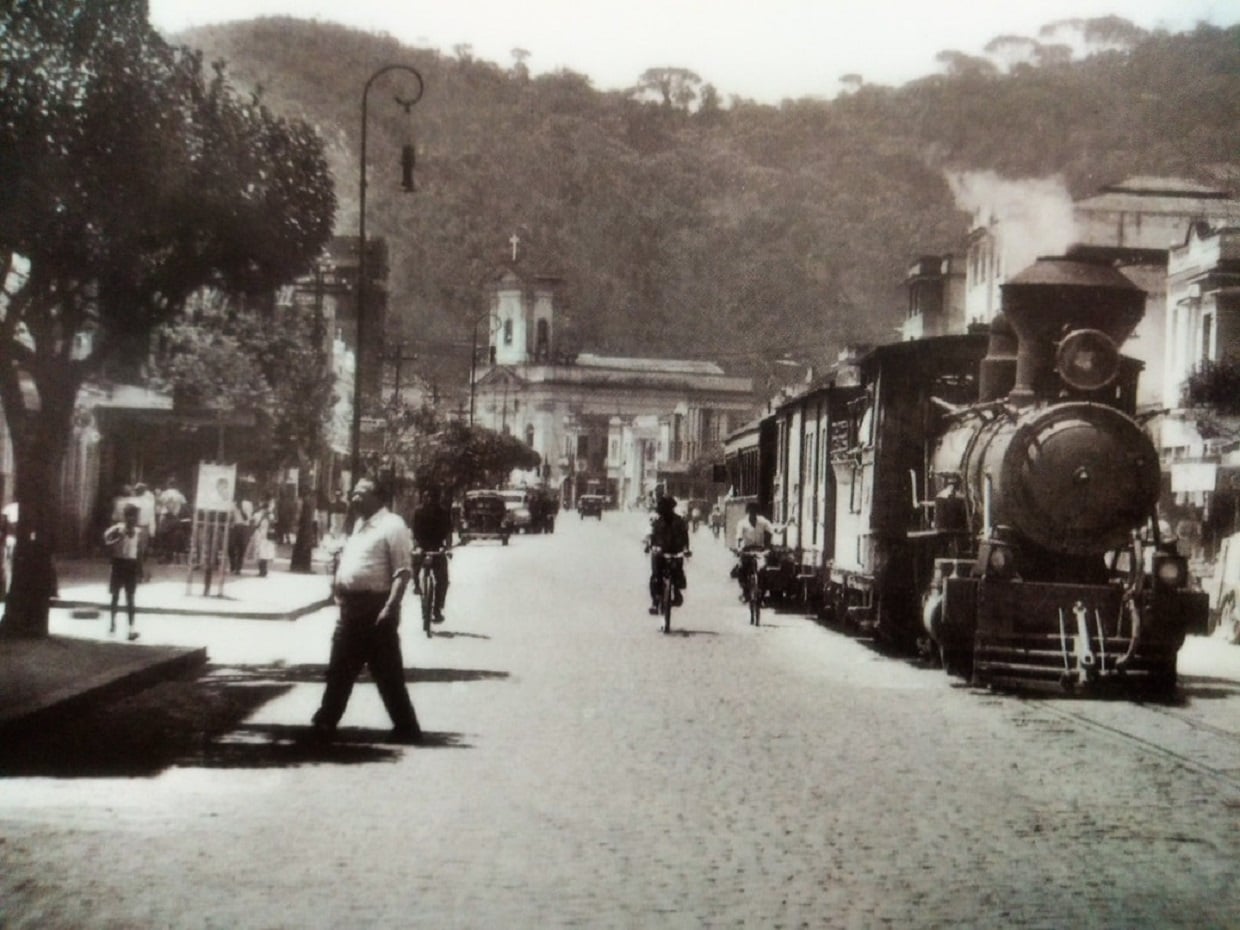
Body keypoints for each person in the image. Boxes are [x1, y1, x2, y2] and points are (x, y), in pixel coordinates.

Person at [310, 477, 421, 743]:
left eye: (361, 493)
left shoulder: (392, 525)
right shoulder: (360, 525)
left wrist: (391, 607)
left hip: (376, 608)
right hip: (351, 608)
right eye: (354, 493)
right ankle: (326, 720)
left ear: (378, 497)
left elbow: (402, 571)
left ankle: (406, 727)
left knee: (387, 673)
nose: (354, 498)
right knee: (340, 668)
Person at [410, 484, 453, 624]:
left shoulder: (443, 513)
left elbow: (448, 533)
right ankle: (416, 585)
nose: (429, 499)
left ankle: (437, 609)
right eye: (426, 497)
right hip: (422, 547)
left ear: (436, 498)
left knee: (443, 580)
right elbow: (413, 532)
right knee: (414, 565)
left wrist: (447, 547)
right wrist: (416, 546)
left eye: (431, 497)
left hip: (437, 548)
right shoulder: (418, 512)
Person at [103, 503, 145, 640]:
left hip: (131, 565)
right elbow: (105, 541)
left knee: (130, 598)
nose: (134, 519)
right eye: (131, 516)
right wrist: (117, 539)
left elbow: (139, 553)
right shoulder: (118, 529)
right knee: (115, 596)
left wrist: (141, 570)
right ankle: (112, 623)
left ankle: (131, 628)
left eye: (135, 516)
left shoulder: (139, 533)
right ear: (127, 516)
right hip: (118, 563)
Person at [645, 495, 690, 615]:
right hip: (660, 553)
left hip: (675, 553)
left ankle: (677, 591)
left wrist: (686, 550)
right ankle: (655, 602)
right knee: (655, 577)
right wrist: (649, 546)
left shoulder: (679, 521)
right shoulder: (657, 522)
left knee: (678, 572)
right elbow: (651, 537)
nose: (664, 510)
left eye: (666, 507)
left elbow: (685, 537)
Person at [734, 502, 781, 602]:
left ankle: (762, 594)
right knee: (741, 569)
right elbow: (739, 537)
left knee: (763, 570)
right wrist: (739, 548)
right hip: (747, 550)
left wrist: (783, 527)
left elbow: (773, 529)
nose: (753, 515)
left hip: (760, 550)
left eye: (754, 512)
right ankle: (745, 591)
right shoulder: (742, 523)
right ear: (748, 513)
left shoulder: (763, 521)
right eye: (751, 512)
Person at [247, 495, 277, 577]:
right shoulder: (271, 515)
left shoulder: (257, 514)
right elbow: (273, 525)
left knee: (259, 553)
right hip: (267, 535)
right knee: (265, 553)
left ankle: (261, 571)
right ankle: (264, 570)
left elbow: (252, 523)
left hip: (259, 534)